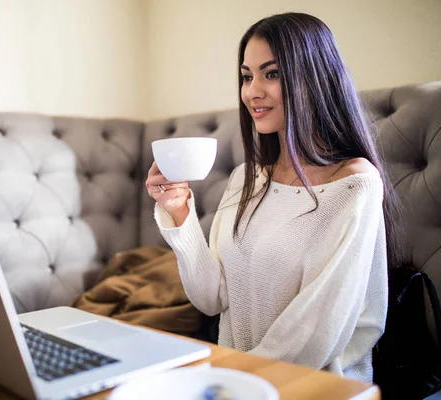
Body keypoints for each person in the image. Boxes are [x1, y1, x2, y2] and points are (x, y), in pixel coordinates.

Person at [145, 12, 403, 382]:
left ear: (314, 77)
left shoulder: (355, 185)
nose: (252, 91)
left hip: (314, 388)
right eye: (246, 76)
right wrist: (179, 212)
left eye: (272, 73)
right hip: (238, 384)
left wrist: (217, 377)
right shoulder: (246, 179)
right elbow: (210, 298)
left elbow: (314, 337)